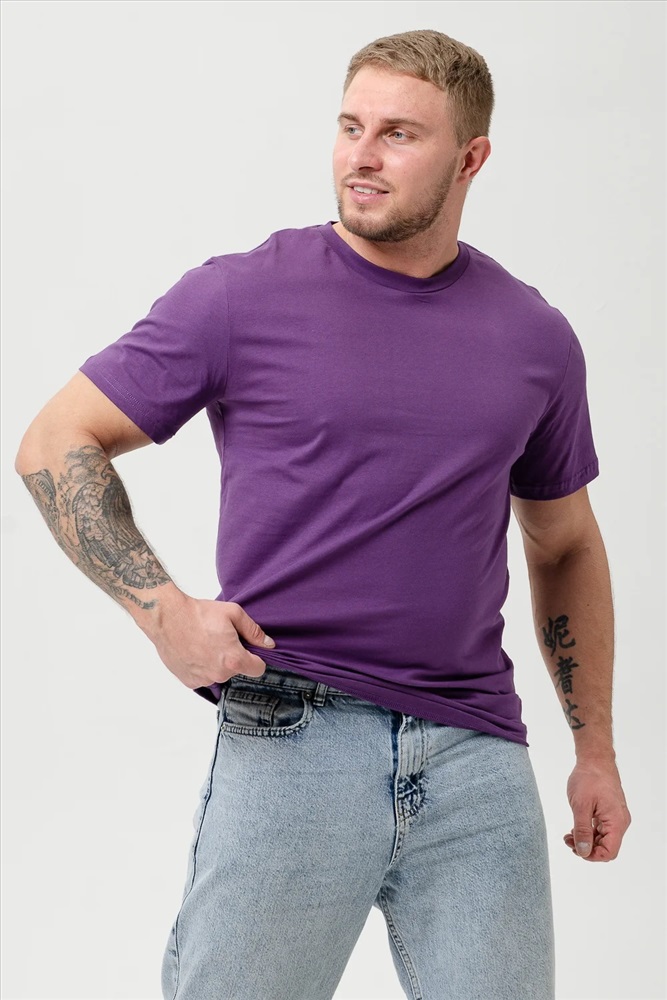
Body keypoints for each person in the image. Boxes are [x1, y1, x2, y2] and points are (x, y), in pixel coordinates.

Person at [15, 27, 631, 1000]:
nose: (361, 155)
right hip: (294, 733)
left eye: (398, 134)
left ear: (470, 157)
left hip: (475, 757)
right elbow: (56, 441)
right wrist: (161, 611)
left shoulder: (534, 337)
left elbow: (563, 543)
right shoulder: (241, 296)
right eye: (349, 127)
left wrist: (594, 750)